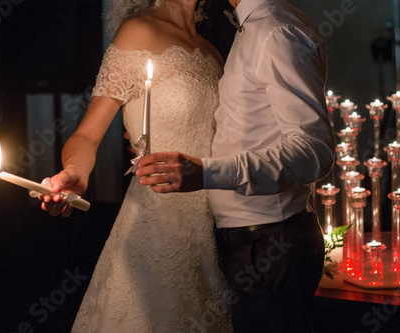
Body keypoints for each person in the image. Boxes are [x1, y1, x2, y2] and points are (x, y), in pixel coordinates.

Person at [136, 0, 335, 331]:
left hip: (271, 245)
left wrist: (207, 172)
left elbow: (314, 151)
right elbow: (246, 130)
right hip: (255, 244)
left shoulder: (276, 31)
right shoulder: (251, 26)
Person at [39, 0, 233, 331]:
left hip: (215, 237)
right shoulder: (138, 31)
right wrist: (76, 171)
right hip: (154, 235)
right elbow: (87, 135)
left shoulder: (214, 53)